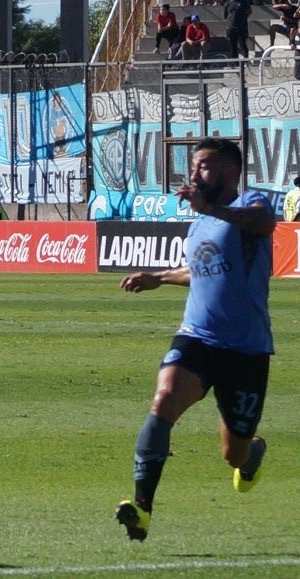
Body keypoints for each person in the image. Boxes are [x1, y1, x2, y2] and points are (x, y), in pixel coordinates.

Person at [115, 138, 274, 542]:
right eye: (194, 165)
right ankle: (142, 508)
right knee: (164, 398)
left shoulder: (252, 204)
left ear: (231, 170)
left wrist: (213, 210)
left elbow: (263, 224)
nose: (195, 172)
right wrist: (160, 278)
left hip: (246, 350)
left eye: (204, 165)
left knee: (233, 454)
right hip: (197, 337)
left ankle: (251, 454)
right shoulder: (201, 220)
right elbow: (201, 268)